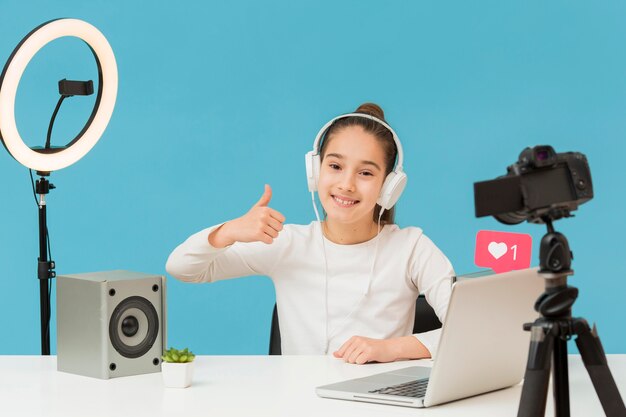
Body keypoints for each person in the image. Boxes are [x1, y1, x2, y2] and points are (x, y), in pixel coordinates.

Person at [166, 103, 455, 365]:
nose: (347, 184)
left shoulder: (411, 248)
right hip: (300, 403)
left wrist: (390, 349)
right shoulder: (288, 244)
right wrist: (228, 231)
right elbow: (182, 268)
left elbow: (471, 331)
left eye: (365, 173)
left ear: (389, 186)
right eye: (335, 166)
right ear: (315, 172)